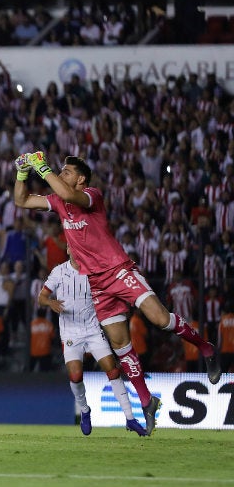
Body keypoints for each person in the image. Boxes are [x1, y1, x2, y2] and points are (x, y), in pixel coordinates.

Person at [14, 152, 221, 436]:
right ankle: (147, 401)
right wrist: (23, 173)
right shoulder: (59, 201)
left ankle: (207, 348)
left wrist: (42, 166)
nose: (61, 176)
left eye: (66, 172)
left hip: (118, 270)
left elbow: (66, 193)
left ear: (80, 179)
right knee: (122, 346)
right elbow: (21, 200)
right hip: (97, 284)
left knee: (160, 318)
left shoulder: (90, 196)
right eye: (59, 171)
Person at [38, 252, 147, 436]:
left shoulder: (94, 271)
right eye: (70, 246)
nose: (74, 249)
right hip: (71, 333)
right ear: (67, 250)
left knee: (112, 370)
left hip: (93, 330)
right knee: (75, 375)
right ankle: (85, 410)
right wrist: (51, 302)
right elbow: (41, 298)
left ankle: (130, 418)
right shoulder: (58, 271)